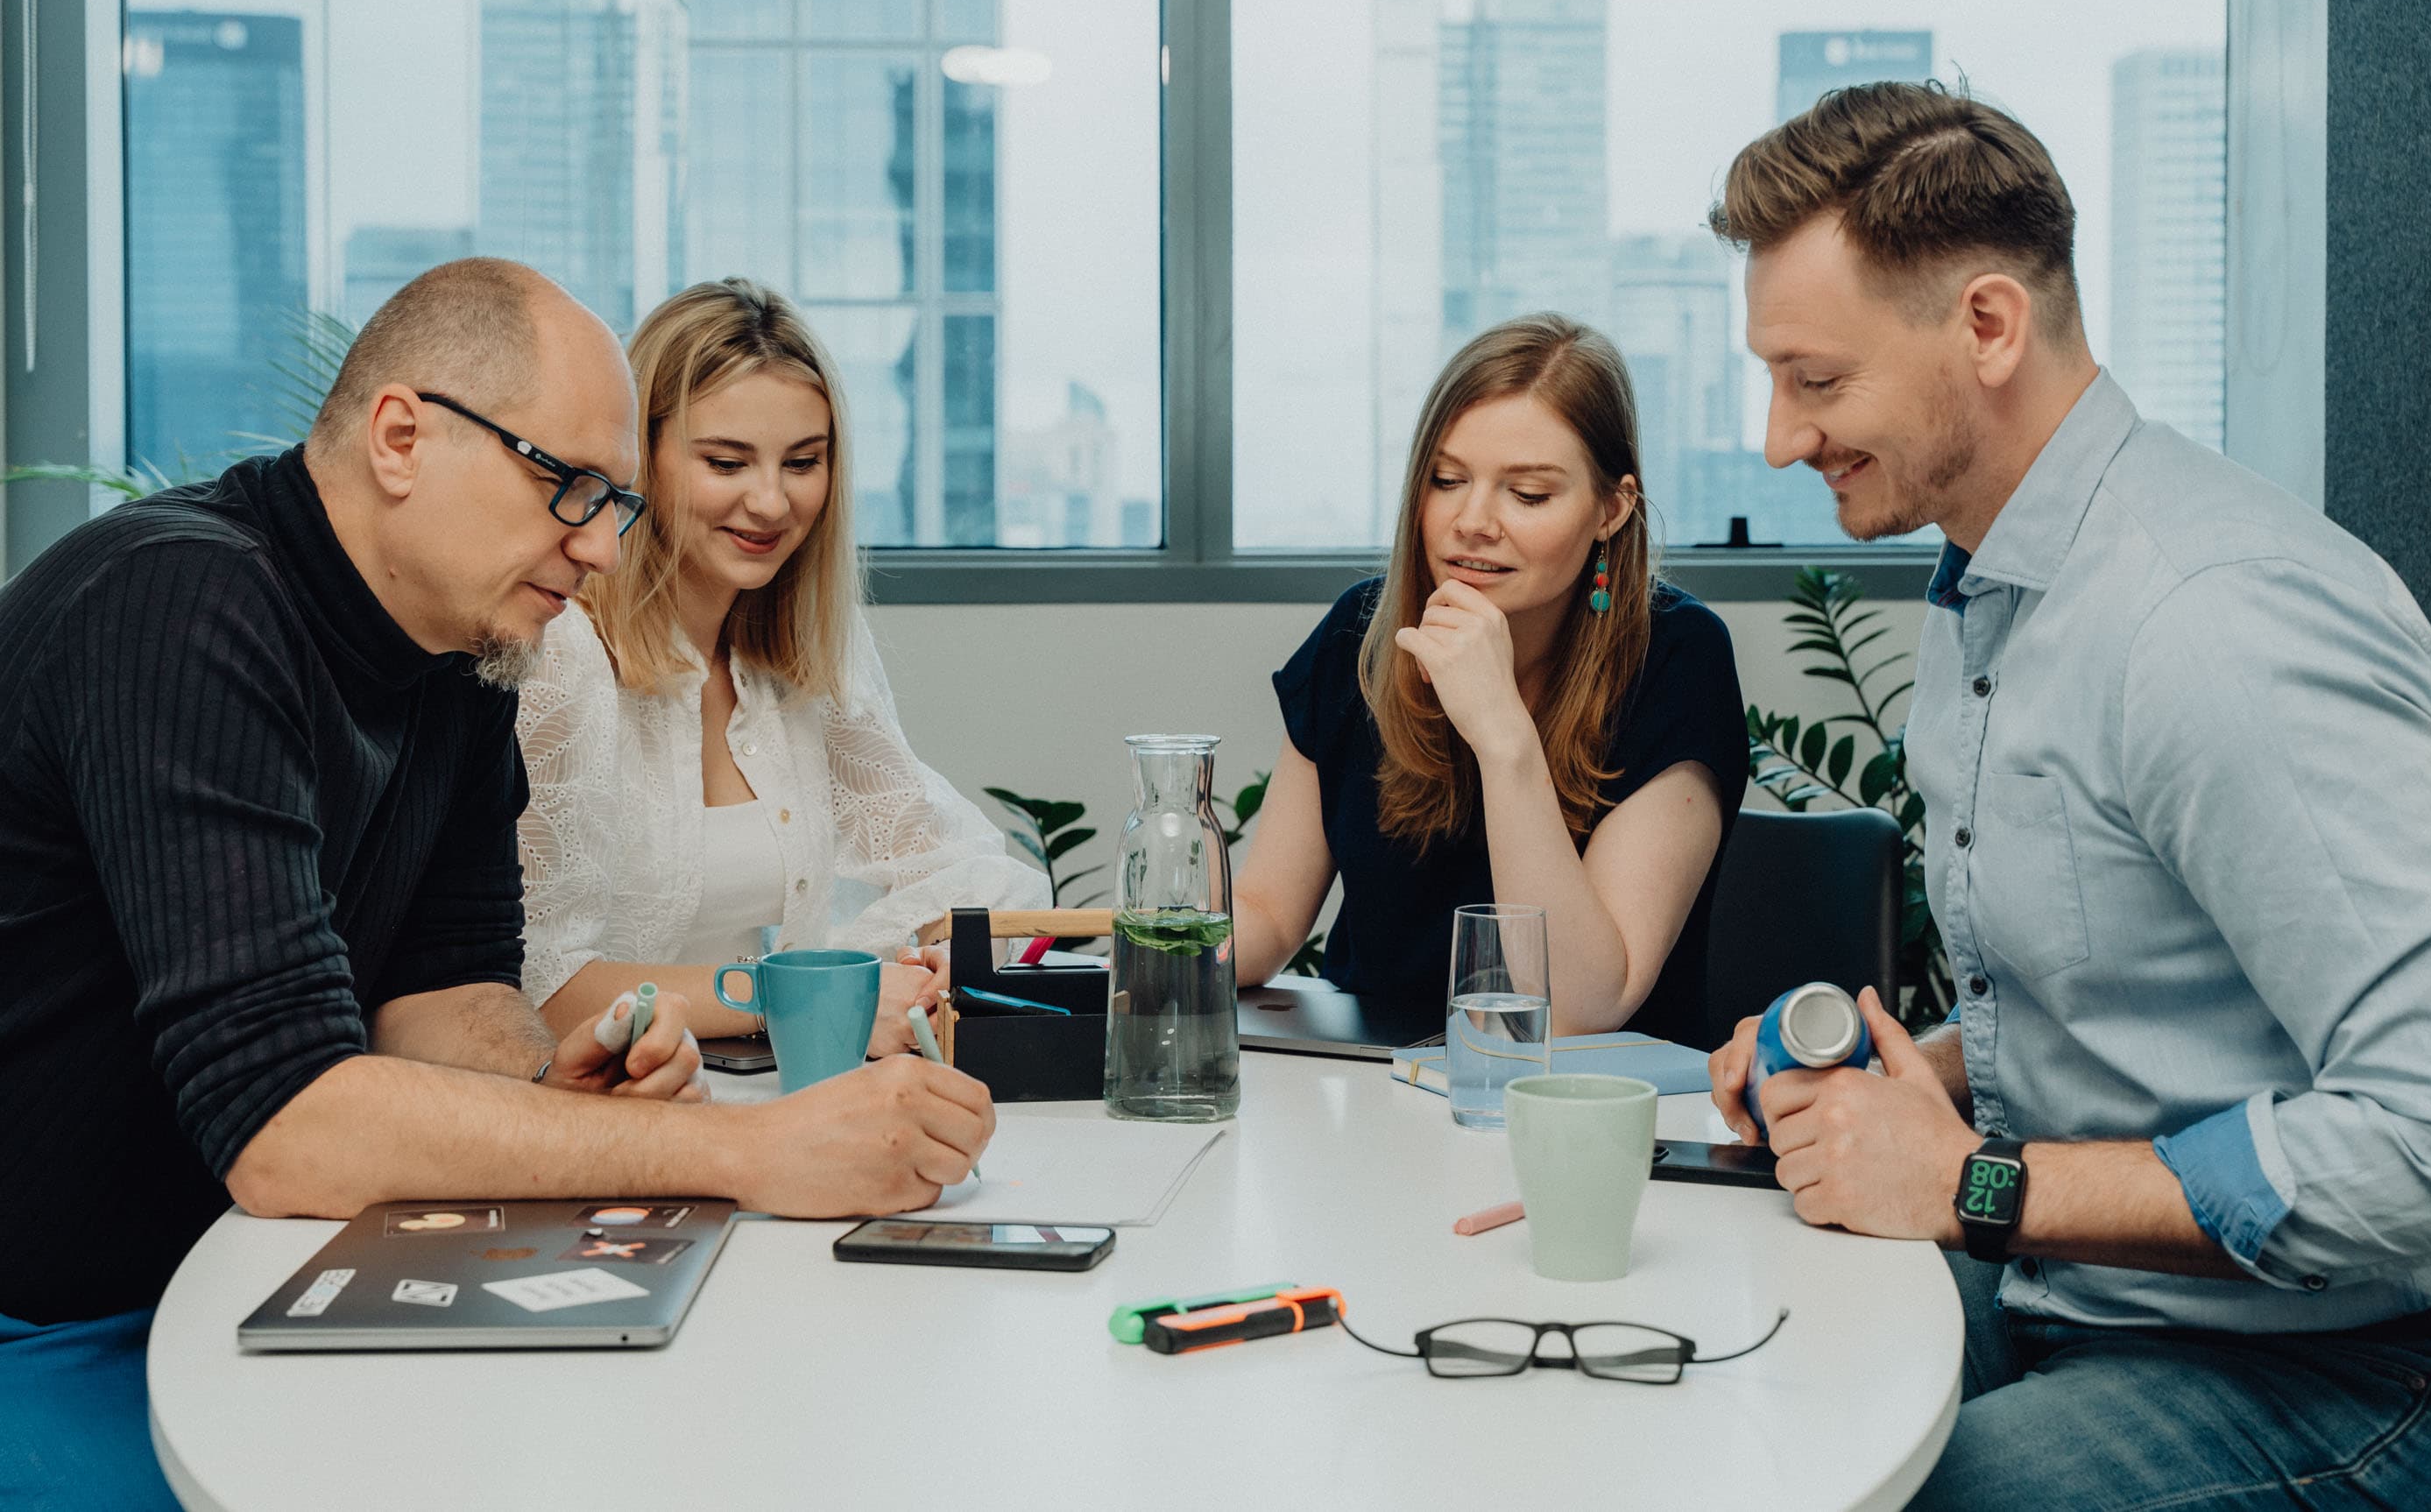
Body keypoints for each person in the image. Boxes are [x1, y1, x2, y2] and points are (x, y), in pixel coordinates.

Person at [0, 259, 994, 1509]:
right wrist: (741, 1148)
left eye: (616, 501)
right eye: (567, 485)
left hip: (260, 1262)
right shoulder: (180, 600)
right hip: (52, 1315)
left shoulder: (467, 654)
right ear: (401, 436)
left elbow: (447, 993)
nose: (597, 543)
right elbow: (285, 1121)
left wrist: (544, 1080)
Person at [1700, 81, 2431, 1508]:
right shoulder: (1992, 588)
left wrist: (1977, 1184)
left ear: (1987, 326)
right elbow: (2127, 1009)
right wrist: (1899, 1082)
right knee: (1720, 1400)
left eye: (1816, 380)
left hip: (2352, 1365)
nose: (1778, 440)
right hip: (2082, 1295)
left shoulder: (2215, 624)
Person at [513, 278, 1049, 1050]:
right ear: (642, 460)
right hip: (608, 1116)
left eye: (803, 462)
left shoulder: (796, 658)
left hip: (771, 1087)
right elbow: (538, 987)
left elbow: (966, 871)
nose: (771, 502)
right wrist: (812, 996)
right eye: (727, 463)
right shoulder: (562, 653)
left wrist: (928, 960)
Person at [1233, 314, 1748, 1049]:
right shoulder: (1364, 632)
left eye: (1528, 494)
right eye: (1447, 480)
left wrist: (1502, 733)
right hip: (1373, 1094)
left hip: (1586, 1114)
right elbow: (1269, 915)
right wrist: (1140, 949)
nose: (1471, 522)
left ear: (1613, 508)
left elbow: (1577, 1005)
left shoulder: (1677, 658)